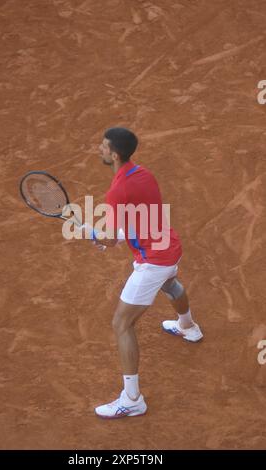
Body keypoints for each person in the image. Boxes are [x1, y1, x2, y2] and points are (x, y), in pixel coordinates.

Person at [83, 127, 203, 419]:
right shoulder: (144, 174)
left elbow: (110, 238)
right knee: (171, 284)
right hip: (170, 245)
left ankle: (132, 398)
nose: (99, 149)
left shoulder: (116, 191)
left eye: (103, 146)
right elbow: (144, 217)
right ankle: (188, 327)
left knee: (121, 323)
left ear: (114, 154)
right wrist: (116, 235)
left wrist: (97, 235)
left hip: (153, 260)